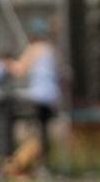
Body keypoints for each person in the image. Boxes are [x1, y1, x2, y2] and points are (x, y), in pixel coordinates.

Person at [5, 18, 60, 173]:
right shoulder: (50, 49)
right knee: (43, 130)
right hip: (51, 97)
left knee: (12, 112)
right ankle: (42, 165)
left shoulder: (34, 48)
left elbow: (19, 70)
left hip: (38, 97)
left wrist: (6, 62)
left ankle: (17, 158)